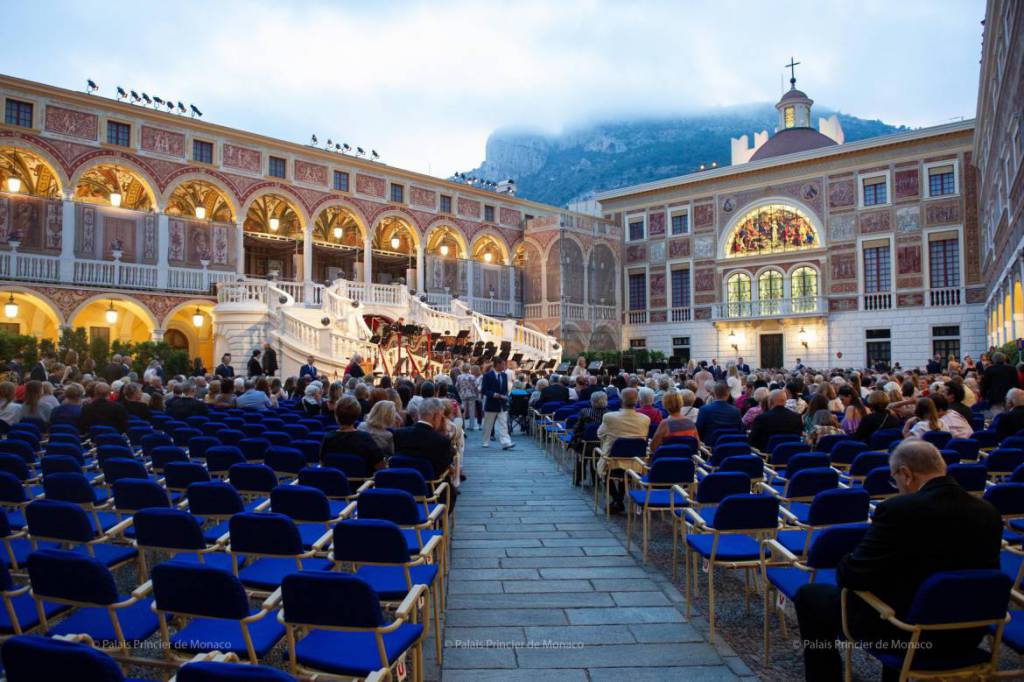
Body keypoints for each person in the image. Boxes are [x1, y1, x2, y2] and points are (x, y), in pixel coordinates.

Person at [793, 440, 1001, 682]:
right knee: (903, 590)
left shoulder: (899, 509)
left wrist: (848, 558)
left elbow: (853, 575)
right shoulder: (988, 511)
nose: (897, 486)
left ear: (906, 474)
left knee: (810, 595)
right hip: (969, 631)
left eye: (895, 480)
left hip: (904, 634)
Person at [596, 387, 650, 514]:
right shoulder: (645, 419)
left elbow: (600, 434)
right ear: (637, 400)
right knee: (624, 466)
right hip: (636, 461)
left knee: (607, 466)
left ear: (621, 399)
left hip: (612, 461)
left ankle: (617, 499)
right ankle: (618, 499)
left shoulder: (609, 417)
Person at [393, 397, 454, 479]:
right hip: (431, 488)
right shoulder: (441, 441)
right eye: (441, 417)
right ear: (436, 416)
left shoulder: (399, 434)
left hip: (400, 482)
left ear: (419, 414)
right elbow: (443, 467)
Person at [319, 396, 384, 472]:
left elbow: (322, 464)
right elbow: (381, 466)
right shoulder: (365, 438)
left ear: (336, 416)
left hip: (333, 482)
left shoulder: (328, 438)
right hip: (362, 483)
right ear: (357, 415)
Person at [481, 358, 514, 450]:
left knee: (504, 424)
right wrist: (494, 394)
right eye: (503, 364)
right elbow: (484, 390)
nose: (504, 366)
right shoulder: (487, 375)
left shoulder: (504, 375)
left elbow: (505, 389)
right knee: (488, 424)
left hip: (502, 404)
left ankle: (506, 442)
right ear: (497, 365)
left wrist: (505, 396)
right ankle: (485, 441)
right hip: (491, 403)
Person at [456, 364, 481, 431]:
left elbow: (457, 386)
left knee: (463, 410)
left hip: (462, 394)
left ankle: (463, 425)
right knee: (472, 411)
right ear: (469, 369)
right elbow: (476, 386)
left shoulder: (459, 377)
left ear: (462, 369)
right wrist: (477, 394)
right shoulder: (472, 377)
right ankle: (471, 426)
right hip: (472, 395)